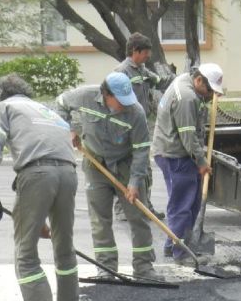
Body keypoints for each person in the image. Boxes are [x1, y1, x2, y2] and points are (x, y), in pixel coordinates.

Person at [0, 74, 79, 301]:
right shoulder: (48, 112)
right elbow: (47, 157)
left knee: (25, 253)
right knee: (65, 250)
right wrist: (41, 218)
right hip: (68, 174)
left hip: (37, 175)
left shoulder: (4, 108)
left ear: (1, 94)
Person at [55, 72, 162, 281]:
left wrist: (134, 182)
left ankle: (144, 267)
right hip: (95, 163)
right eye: (119, 101)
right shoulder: (85, 96)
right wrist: (67, 130)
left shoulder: (136, 112)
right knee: (99, 219)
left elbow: (141, 150)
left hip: (126, 164)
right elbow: (60, 103)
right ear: (105, 94)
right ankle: (106, 267)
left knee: (138, 217)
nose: (124, 105)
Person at [152, 63, 224, 266]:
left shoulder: (187, 82)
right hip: (175, 155)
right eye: (209, 90)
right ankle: (180, 252)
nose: (211, 95)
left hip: (173, 151)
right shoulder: (187, 97)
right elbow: (188, 136)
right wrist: (201, 162)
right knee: (183, 204)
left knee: (188, 202)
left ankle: (172, 243)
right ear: (199, 80)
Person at [113, 32, 171, 222]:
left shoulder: (142, 71)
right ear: (135, 51)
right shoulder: (122, 72)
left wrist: (179, 79)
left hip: (141, 128)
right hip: (126, 130)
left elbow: (159, 82)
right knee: (127, 169)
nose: (148, 56)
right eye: (146, 52)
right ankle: (122, 209)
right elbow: (113, 103)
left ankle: (146, 205)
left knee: (144, 168)